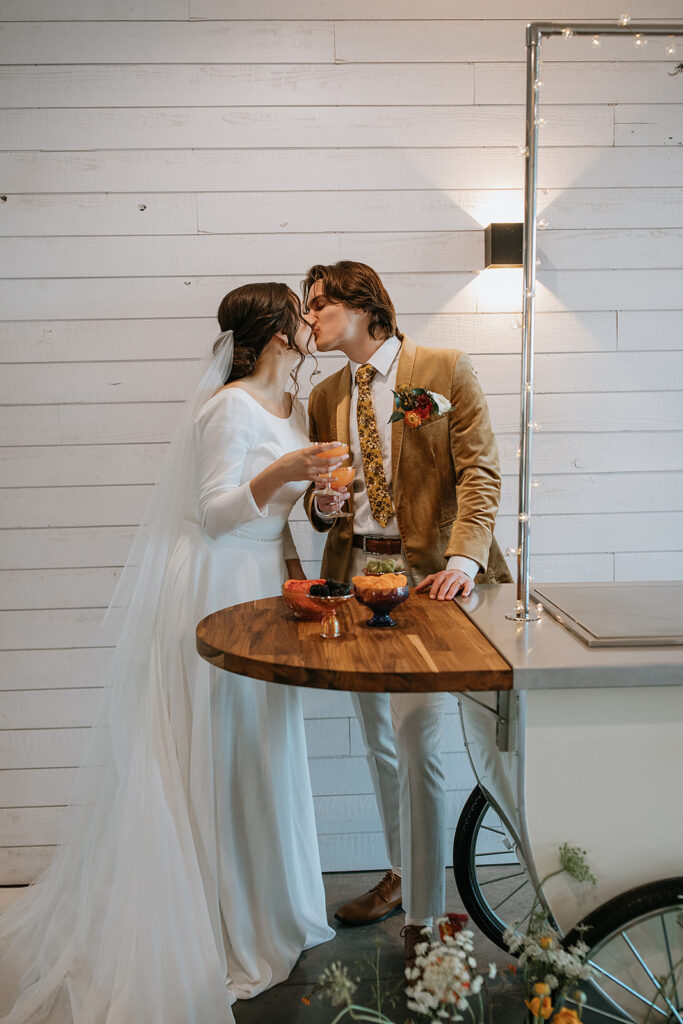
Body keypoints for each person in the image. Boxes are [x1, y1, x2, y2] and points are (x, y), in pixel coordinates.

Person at [0, 282, 340, 1024]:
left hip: (263, 582)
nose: (311, 322)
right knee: (214, 746)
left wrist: (320, 501)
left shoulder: (299, 407)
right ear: (279, 334)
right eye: (300, 313)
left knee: (261, 744)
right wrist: (286, 472)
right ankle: (215, 925)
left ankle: (271, 911)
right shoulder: (225, 408)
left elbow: (287, 510)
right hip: (216, 584)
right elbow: (215, 513)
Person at [301, 261, 511, 969]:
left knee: (421, 743)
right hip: (356, 579)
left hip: (433, 582)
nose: (310, 319)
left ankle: (425, 916)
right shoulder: (327, 393)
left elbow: (479, 470)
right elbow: (320, 504)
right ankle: (400, 871)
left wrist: (462, 562)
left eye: (320, 305)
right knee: (381, 742)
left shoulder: (442, 368)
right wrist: (324, 504)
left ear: (363, 307)